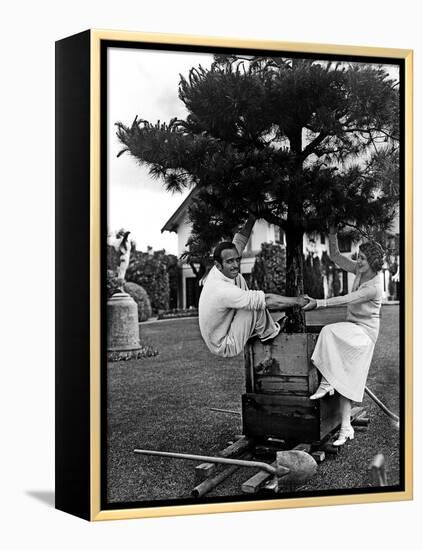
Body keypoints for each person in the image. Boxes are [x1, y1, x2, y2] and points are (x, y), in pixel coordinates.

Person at [303, 226, 385, 446]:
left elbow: (348, 299)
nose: (358, 261)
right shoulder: (359, 270)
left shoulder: (375, 286)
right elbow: (336, 256)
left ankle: (328, 380)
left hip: (365, 333)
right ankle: (346, 429)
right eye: (358, 257)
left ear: (374, 263)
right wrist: (331, 232)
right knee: (347, 379)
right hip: (353, 327)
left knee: (328, 331)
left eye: (363, 259)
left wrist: (318, 303)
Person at [199, 214, 307, 358]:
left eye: (237, 260)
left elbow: (240, 239)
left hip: (223, 330)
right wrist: (297, 301)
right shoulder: (222, 290)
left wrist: (252, 217)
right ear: (218, 265)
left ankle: (261, 328)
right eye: (230, 262)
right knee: (254, 304)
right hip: (224, 344)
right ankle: (268, 333)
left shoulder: (219, 268)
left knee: (240, 280)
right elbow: (266, 300)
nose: (236, 265)